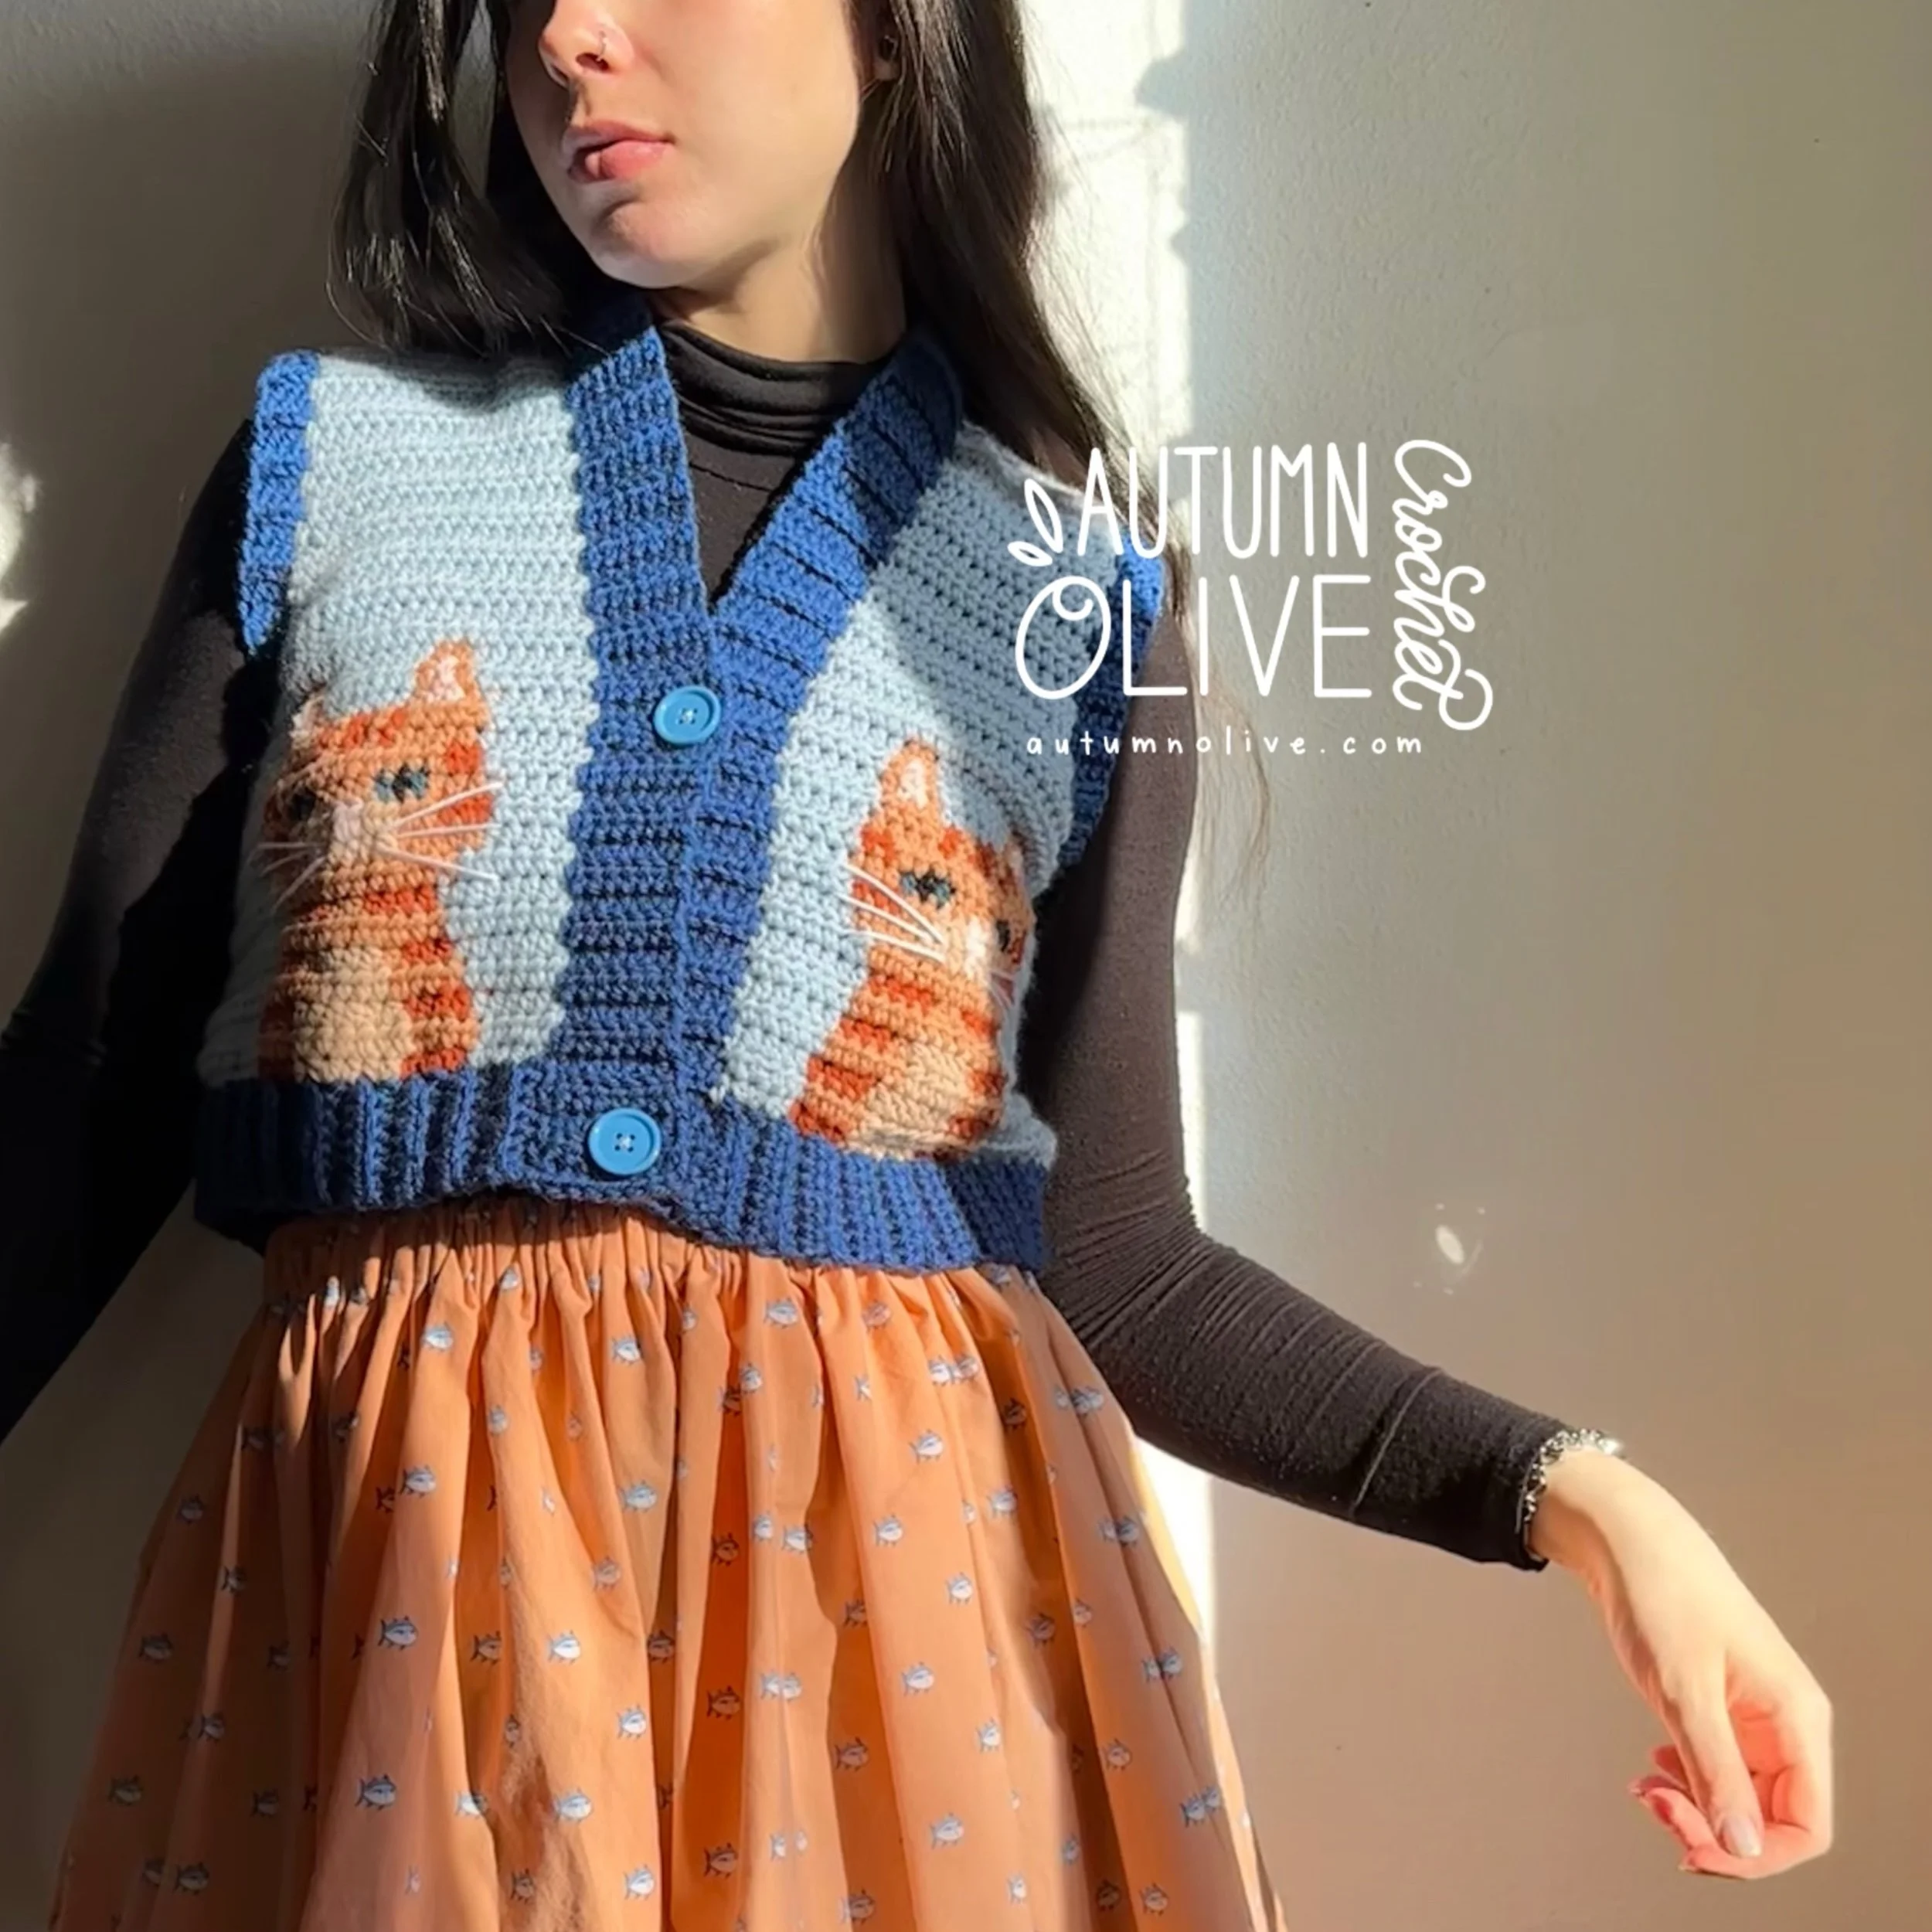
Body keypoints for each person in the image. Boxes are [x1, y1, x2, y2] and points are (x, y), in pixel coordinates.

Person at [0, 0, 1832, 1924]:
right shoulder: (341, 469)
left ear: (894, 28)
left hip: (896, 1653)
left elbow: (1116, 1255)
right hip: (414, 1618)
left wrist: (1582, 1498)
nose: (567, 37)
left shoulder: (1074, 593)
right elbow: (92, 1088)